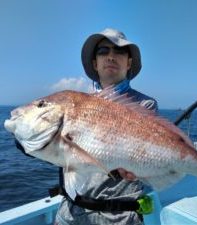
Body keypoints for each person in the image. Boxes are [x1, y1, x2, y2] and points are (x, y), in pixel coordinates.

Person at [55, 28, 158, 225]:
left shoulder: (145, 105)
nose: (111, 56)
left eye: (119, 51)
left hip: (119, 217)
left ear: (129, 63)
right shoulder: (72, 104)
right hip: (71, 211)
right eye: (103, 51)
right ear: (95, 63)